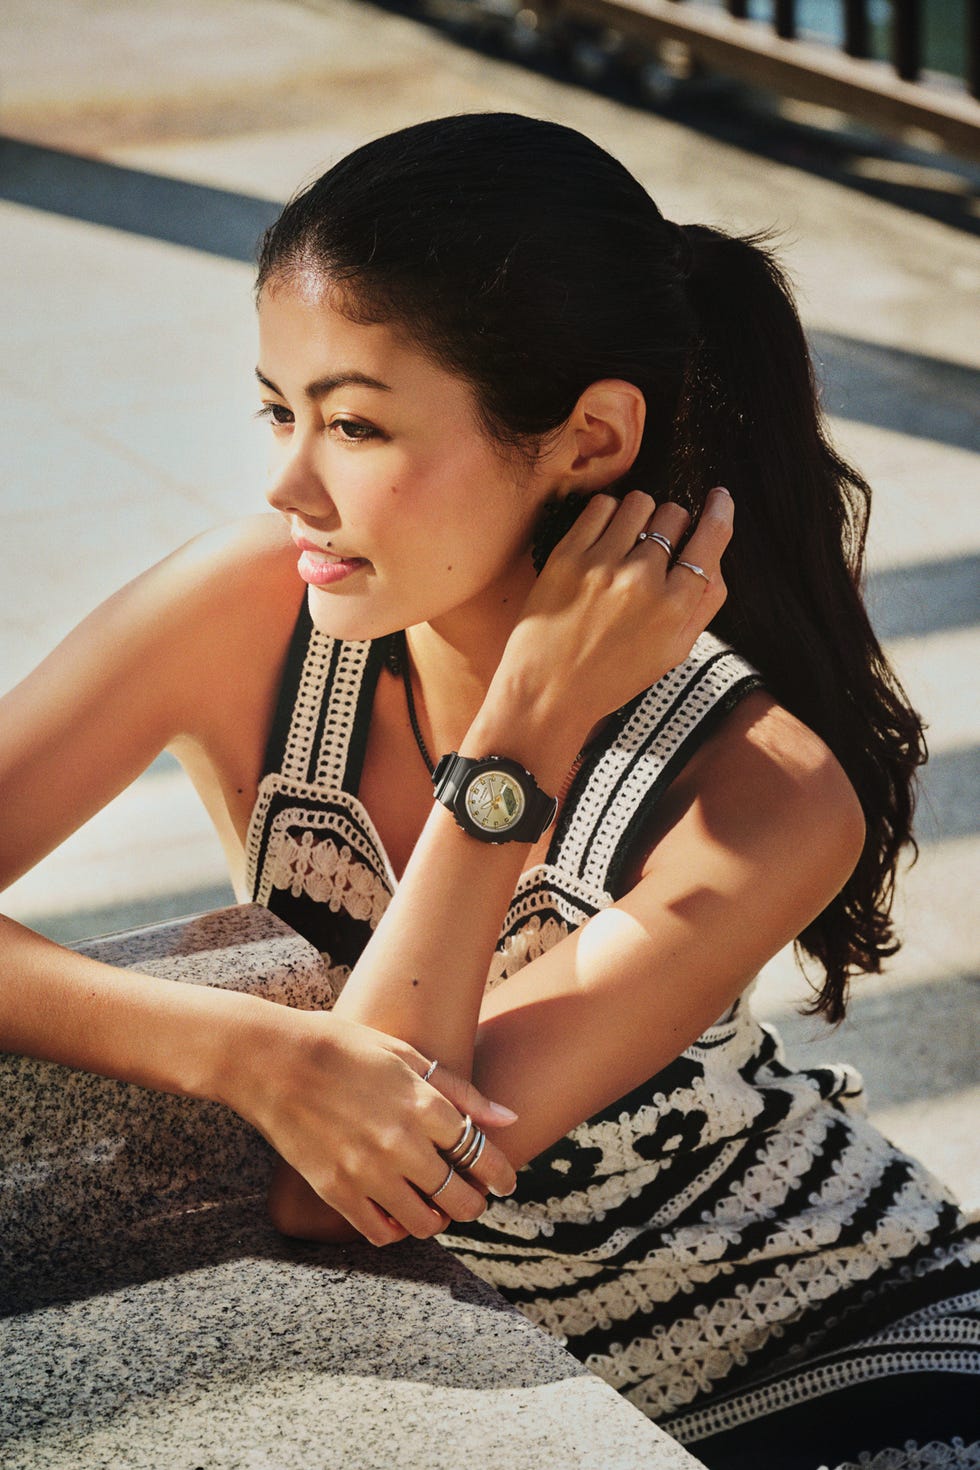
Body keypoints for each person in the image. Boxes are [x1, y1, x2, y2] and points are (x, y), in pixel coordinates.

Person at [0, 113, 975, 1469]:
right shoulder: (250, 612)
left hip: (840, 1351)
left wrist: (516, 744)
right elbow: (332, 1113)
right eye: (279, 409)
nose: (288, 482)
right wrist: (251, 1051)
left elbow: (358, 1192)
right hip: (511, 1376)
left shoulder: (759, 793)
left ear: (588, 439)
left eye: (352, 423)